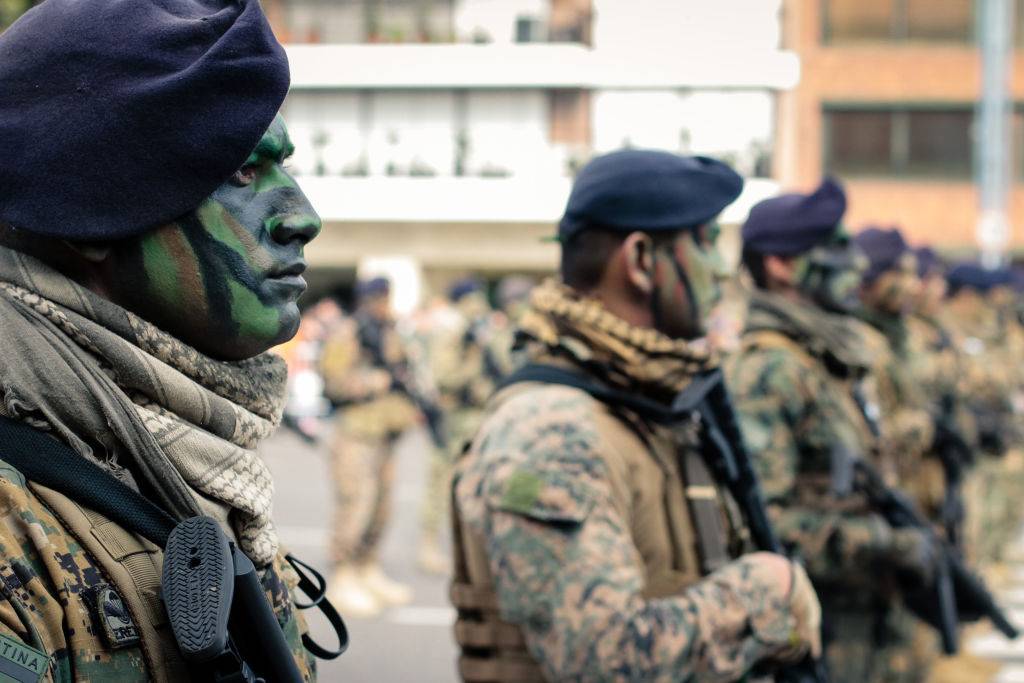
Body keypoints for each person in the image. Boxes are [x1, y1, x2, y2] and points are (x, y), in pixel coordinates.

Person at [0, 0, 320, 679]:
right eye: (241, 173)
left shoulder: (183, 458)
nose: (302, 216)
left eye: (285, 169)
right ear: (91, 215)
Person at [450, 149, 821, 682]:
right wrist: (764, 593)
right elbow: (603, 661)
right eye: (709, 242)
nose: (723, 270)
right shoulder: (553, 430)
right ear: (642, 259)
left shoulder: (652, 400)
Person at [726, 180, 937, 683]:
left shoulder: (829, 358)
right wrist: (881, 542)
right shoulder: (768, 369)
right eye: (833, 249)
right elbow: (763, 527)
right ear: (779, 264)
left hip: (865, 622)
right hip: (817, 633)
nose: (855, 265)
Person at [320, 277, 420, 616]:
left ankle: (368, 567)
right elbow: (332, 382)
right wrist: (372, 383)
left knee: (381, 508)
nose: (385, 305)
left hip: (385, 434)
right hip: (356, 434)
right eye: (381, 298)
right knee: (355, 506)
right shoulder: (347, 333)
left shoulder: (390, 332)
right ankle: (343, 575)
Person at [419, 278, 509, 574]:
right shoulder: (450, 335)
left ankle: (476, 554)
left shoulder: (486, 332)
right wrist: (470, 356)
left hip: (483, 417)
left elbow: (503, 367)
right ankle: (428, 546)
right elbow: (445, 377)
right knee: (442, 486)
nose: (478, 307)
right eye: (472, 300)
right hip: (456, 419)